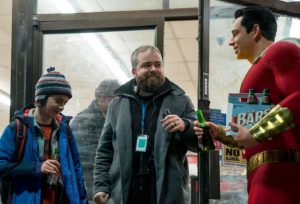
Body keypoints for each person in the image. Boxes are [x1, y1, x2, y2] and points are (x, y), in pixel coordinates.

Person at [194, 6, 300, 204]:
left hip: (282, 176)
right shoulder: (261, 66)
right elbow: (250, 134)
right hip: (266, 176)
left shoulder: (281, 50)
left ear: (255, 30)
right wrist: (220, 133)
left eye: (235, 33)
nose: (230, 42)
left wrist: (255, 133)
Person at [93, 45, 198, 204]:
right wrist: (101, 186)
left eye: (158, 64)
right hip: (125, 194)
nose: (153, 69)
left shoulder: (181, 101)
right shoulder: (117, 106)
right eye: (146, 65)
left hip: (167, 194)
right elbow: (104, 151)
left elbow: (199, 143)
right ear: (134, 71)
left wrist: (186, 126)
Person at [0, 67, 87, 204]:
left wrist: (82, 200)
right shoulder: (17, 129)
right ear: (40, 100)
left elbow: (76, 169)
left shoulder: (65, 131)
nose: (62, 107)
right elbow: (2, 166)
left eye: (65, 102)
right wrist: (37, 168)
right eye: (58, 101)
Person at [71, 79, 120, 202]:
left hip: (106, 184)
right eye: (116, 99)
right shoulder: (84, 120)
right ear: (102, 99)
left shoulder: (113, 118)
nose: (119, 104)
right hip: (91, 186)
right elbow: (89, 158)